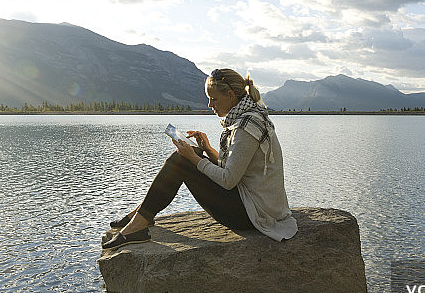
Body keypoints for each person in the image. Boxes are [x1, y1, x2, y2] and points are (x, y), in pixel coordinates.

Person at [103, 68, 297, 250]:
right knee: (193, 153)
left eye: (213, 99)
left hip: (252, 215)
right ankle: (143, 213)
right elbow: (234, 170)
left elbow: (228, 180)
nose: (210, 105)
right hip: (255, 204)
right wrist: (207, 149)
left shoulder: (246, 126)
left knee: (182, 160)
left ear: (230, 96)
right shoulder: (250, 118)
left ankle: (139, 222)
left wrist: (193, 159)